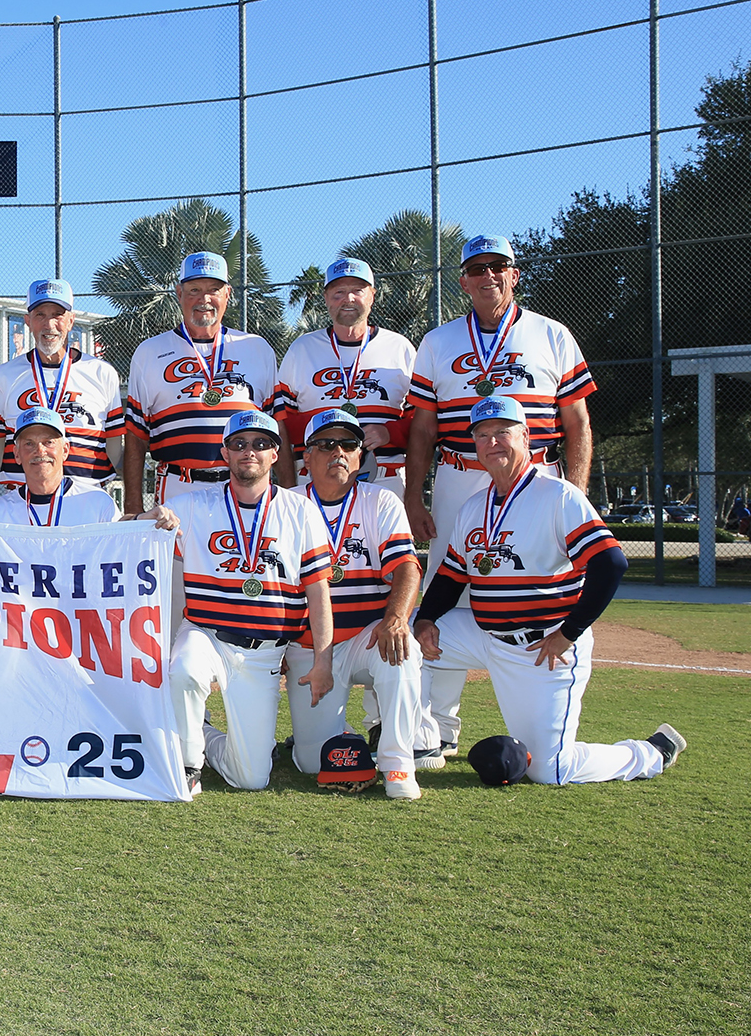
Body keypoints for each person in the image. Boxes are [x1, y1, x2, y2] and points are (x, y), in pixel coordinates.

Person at [411, 396, 685, 785]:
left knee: (550, 770)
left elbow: (611, 564)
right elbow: (452, 576)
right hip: (483, 635)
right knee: (402, 636)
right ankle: (421, 742)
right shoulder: (474, 507)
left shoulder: (558, 495)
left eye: (502, 432)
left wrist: (569, 632)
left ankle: (650, 753)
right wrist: (425, 619)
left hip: (542, 646)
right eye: (482, 435)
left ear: (526, 437)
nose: (492, 443)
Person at [404, 235, 595, 762]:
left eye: (498, 266)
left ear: (515, 274)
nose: (487, 275)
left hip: (535, 477)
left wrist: (574, 492)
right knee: (443, 596)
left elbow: (577, 423)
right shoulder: (438, 341)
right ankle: (437, 727)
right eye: (476, 268)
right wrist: (415, 497)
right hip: (458, 476)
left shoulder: (552, 335)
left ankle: (552, 687)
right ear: (462, 280)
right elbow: (422, 429)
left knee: (540, 582)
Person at [165, 410, 335, 795]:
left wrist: (323, 660)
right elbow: (137, 533)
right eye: (239, 444)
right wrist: (151, 516)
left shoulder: (300, 511)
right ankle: (187, 765)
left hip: (264, 653)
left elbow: (318, 591)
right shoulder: (191, 505)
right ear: (225, 453)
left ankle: (203, 736)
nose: (249, 451)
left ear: (275, 454)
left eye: (260, 443)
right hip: (206, 633)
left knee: (251, 778)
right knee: (185, 671)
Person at [123, 251, 280, 636]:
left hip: (243, 491)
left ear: (228, 294)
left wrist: (285, 493)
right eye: (194, 290)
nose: (203, 299)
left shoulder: (256, 348)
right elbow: (136, 437)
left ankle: (250, 667)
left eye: (213, 290)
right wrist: (133, 508)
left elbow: (277, 430)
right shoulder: (150, 352)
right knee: (173, 603)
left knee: (243, 594)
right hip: (179, 487)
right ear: (179, 294)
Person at [277, 408, 423, 800]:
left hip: (365, 636)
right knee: (313, 762)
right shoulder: (284, 504)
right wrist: (279, 644)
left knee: (403, 649)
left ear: (361, 455)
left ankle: (397, 763)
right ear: (306, 457)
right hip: (308, 645)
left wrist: (396, 618)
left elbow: (407, 568)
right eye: (326, 444)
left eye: (348, 444)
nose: (337, 452)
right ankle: (345, 737)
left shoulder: (381, 500)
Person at [272, 258, 416, 483]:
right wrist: (327, 431)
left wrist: (390, 432)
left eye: (357, 290)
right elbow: (282, 421)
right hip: (316, 475)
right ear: (326, 298)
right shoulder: (302, 348)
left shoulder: (399, 347)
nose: (348, 299)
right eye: (338, 292)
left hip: (385, 477)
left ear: (372, 296)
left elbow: (420, 420)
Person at [0, 279, 126, 496]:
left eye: (57, 315)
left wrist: (93, 484)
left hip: (85, 498)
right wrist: (26, 479)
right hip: (24, 499)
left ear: (71, 321)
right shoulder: (5, 375)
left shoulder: (101, 372)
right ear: (28, 321)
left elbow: (114, 439)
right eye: (40, 315)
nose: (49, 324)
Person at [0, 408, 180, 531]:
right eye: (29, 443)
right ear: (16, 454)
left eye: (49, 442)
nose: (40, 451)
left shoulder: (96, 501)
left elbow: (119, 533)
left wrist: (145, 521)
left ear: (65, 450)